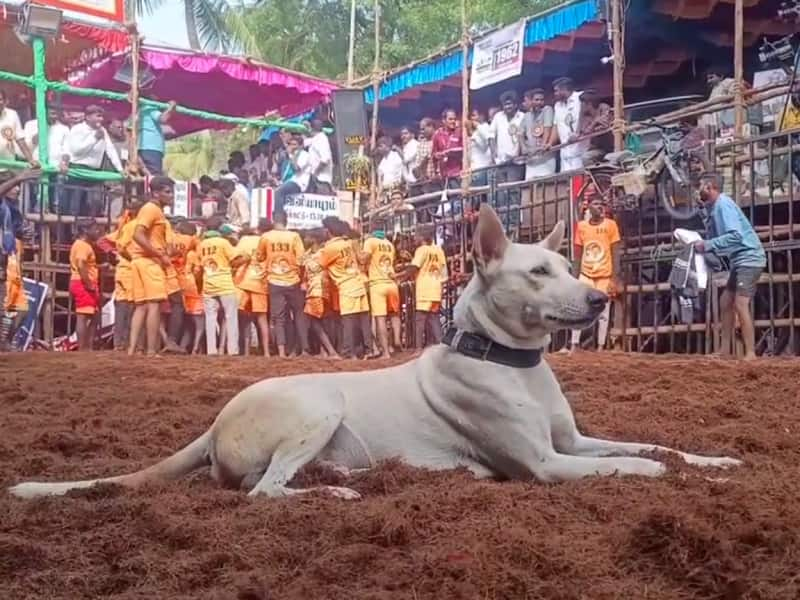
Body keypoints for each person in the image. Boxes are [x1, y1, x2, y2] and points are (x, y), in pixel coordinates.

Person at [693, 173, 766, 360]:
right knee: (726, 302)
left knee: (741, 304)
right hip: (741, 260)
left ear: (710, 187)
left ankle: (750, 353)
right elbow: (718, 234)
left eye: (701, 185)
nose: (698, 189)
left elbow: (735, 236)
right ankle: (725, 350)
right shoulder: (716, 207)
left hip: (748, 259)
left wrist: (707, 245)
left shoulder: (723, 205)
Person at [127, 176, 174, 356]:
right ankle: (151, 350)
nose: (171, 196)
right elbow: (138, 235)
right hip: (149, 262)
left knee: (142, 306)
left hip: (140, 261)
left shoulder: (151, 210)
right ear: (156, 193)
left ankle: (132, 350)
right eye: (167, 192)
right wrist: (159, 254)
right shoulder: (152, 209)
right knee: (154, 305)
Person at [566, 197, 621, 353]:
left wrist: (614, 279)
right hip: (586, 273)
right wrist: (574, 277)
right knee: (578, 307)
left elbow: (615, 252)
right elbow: (577, 253)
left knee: (604, 313)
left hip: (604, 274)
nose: (600, 207)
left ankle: (601, 346)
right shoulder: (582, 227)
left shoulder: (611, 225)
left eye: (601, 204)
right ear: (588, 207)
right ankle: (574, 344)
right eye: (596, 204)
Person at [257, 209, 308, 358]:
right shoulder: (294, 236)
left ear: (273, 220)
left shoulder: (266, 237)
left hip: (274, 281)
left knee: (279, 318)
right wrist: (301, 277)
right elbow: (301, 260)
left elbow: (259, 257)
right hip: (293, 280)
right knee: (299, 315)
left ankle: (281, 351)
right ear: (286, 220)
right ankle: (304, 349)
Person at [319, 216, 372, 359]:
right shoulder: (348, 243)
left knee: (348, 320)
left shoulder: (330, 248)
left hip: (347, 286)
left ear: (328, 230)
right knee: (363, 319)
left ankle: (349, 352)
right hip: (359, 281)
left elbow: (319, 265)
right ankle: (369, 350)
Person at [0, 169, 38, 351]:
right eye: (14, 186)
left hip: (7, 260)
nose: (18, 190)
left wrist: (24, 233)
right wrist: (18, 177)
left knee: (19, 309)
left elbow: (17, 231)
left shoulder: (12, 209)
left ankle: (4, 343)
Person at [63, 105, 124, 216]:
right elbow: (76, 151)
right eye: (98, 116)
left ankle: (90, 230)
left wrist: (120, 169)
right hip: (78, 170)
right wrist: (94, 139)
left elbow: (110, 150)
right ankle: (73, 232)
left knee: (94, 203)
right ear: (88, 117)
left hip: (95, 172)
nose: (101, 119)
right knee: (75, 205)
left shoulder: (102, 130)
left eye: (102, 117)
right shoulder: (78, 129)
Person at [198, 216, 244, 356]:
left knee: (210, 319)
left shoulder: (201, 244)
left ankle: (211, 350)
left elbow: (200, 266)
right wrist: (245, 258)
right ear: (219, 228)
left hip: (208, 284)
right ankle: (232, 350)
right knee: (231, 317)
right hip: (224, 284)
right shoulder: (223, 242)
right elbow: (235, 259)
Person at [105, 200, 143, 351]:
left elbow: (106, 241)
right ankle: (123, 343)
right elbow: (119, 246)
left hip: (124, 269)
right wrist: (131, 258)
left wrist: (114, 254)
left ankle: (120, 343)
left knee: (123, 305)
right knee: (129, 306)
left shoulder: (125, 225)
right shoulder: (132, 226)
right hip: (128, 270)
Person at [363, 223, 402, 358]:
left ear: (371, 229)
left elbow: (365, 259)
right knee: (395, 315)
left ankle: (385, 352)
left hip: (377, 284)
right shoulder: (389, 244)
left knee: (380, 319)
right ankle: (396, 340)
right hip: (392, 284)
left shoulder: (370, 242)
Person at [406, 225, 447, 350]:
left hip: (424, 289)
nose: (414, 238)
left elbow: (414, 267)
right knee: (434, 318)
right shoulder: (439, 250)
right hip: (436, 289)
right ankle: (442, 346)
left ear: (422, 237)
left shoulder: (422, 250)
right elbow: (444, 272)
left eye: (416, 235)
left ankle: (418, 349)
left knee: (420, 320)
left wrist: (400, 276)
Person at [301, 229, 339, 358]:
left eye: (307, 237)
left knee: (314, 322)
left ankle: (332, 352)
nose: (304, 239)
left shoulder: (322, 253)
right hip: (318, 290)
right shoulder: (310, 254)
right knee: (321, 322)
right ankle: (325, 352)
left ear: (313, 239)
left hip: (318, 290)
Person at [234, 223, 270, 356]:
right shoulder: (265, 241)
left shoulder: (244, 241)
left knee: (244, 318)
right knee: (262, 318)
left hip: (243, 283)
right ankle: (266, 352)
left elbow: (235, 260)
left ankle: (246, 351)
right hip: (260, 283)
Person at [69, 218, 103, 351]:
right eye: (94, 228)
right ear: (85, 230)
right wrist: (88, 283)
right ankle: (83, 348)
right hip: (83, 282)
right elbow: (81, 264)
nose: (97, 231)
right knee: (83, 316)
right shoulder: (83, 246)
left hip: (83, 281)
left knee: (93, 315)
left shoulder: (83, 245)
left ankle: (87, 347)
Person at [176, 220, 204, 354]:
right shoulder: (193, 254)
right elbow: (198, 271)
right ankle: (195, 347)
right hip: (191, 286)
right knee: (198, 322)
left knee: (186, 321)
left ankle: (182, 346)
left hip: (177, 283)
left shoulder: (174, 246)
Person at [551, 77, 588, 172]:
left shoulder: (581, 98)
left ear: (564, 89)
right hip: (565, 152)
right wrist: (549, 144)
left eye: (556, 91)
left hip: (581, 150)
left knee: (581, 181)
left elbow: (587, 116)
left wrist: (578, 132)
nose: (554, 94)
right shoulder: (557, 106)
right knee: (568, 183)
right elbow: (556, 126)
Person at [133, 100, 176, 175]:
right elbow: (163, 118)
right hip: (152, 149)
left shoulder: (140, 111)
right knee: (154, 178)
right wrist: (171, 108)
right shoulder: (150, 108)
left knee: (145, 178)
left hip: (143, 148)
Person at [521, 88, 556, 179]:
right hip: (531, 159)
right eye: (536, 100)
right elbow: (519, 133)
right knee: (531, 187)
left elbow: (547, 128)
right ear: (531, 101)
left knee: (546, 186)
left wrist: (543, 146)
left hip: (545, 157)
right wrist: (524, 147)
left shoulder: (547, 110)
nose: (539, 102)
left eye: (542, 100)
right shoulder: (527, 115)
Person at [274, 134, 311, 213]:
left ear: (301, 146)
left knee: (279, 193)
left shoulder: (305, 155)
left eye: (294, 145)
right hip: (290, 181)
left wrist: (291, 155)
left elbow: (296, 168)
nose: (292, 147)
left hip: (299, 183)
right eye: (290, 144)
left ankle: (279, 218)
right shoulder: (289, 157)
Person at [0, 90, 38, 167]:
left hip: (8, 166)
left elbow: (20, 140)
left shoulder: (12, 114)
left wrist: (31, 160)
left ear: (4, 101)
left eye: (0, 99)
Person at [488, 90, 524, 165]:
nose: (507, 107)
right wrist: (494, 155)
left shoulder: (522, 117)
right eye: (505, 104)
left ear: (515, 105)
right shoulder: (498, 116)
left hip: (516, 161)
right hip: (500, 162)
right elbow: (491, 137)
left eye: (509, 104)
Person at [432, 108, 464, 187]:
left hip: (458, 173)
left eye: (454, 119)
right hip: (444, 174)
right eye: (450, 119)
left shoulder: (459, 132)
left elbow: (465, 150)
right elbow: (433, 154)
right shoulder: (437, 134)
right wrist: (439, 155)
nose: (453, 121)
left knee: (458, 197)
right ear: (443, 120)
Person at [307, 119, 334, 194]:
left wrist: (315, 173)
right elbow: (304, 142)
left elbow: (325, 159)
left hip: (321, 181)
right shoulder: (316, 139)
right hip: (317, 181)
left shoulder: (321, 139)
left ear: (311, 128)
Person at [779, 91, 800, 183]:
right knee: (794, 162)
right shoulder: (785, 111)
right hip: (791, 139)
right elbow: (780, 131)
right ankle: (777, 179)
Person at [467, 108, 492, 185]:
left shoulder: (485, 127)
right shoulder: (474, 131)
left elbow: (484, 146)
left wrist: (474, 135)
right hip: (474, 168)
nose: (472, 118)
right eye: (471, 116)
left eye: (474, 115)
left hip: (482, 167)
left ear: (481, 116)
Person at [413, 118, 437, 192]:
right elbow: (417, 166)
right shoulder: (421, 144)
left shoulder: (440, 138)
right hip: (426, 183)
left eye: (423, 129)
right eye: (421, 129)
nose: (421, 132)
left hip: (439, 181)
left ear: (431, 127)